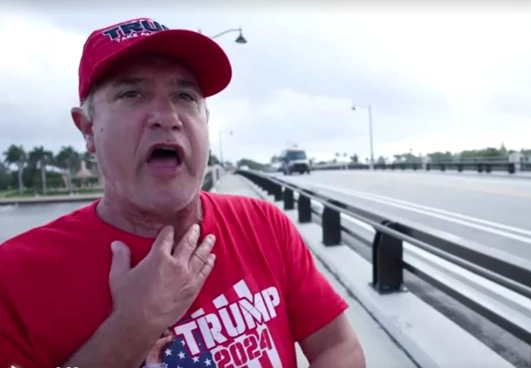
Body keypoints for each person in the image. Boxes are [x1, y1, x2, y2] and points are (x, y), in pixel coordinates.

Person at [0, 17, 365, 368]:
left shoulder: (263, 224)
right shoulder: (15, 276)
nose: (166, 115)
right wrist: (131, 327)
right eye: (131, 93)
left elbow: (338, 346)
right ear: (88, 130)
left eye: (185, 96)